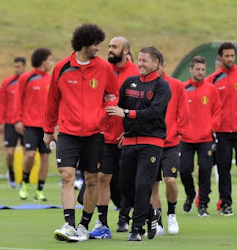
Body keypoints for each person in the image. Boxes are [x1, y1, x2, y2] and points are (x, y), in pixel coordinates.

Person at [43, 23, 118, 242]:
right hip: (67, 132)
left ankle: (84, 225)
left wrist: (102, 115)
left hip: (95, 134)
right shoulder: (61, 67)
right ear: (84, 44)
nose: (98, 49)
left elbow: (112, 96)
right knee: (66, 176)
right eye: (96, 44)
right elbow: (52, 101)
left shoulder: (104, 68)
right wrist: (48, 131)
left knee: (91, 180)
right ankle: (69, 224)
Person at [106, 46, 171, 241]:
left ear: (156, 63)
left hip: (151, 143)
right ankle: (151, 214)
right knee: (125, 187)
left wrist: (126, 114)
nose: (140, 64)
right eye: (139, 60)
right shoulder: (129, 83)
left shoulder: (162, 86)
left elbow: (153, 113)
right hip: (129, 142)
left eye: (144, 61)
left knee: (143, 185)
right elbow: (119, 106)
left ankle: (137, 229)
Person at [88, 36, 139, 239]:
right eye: (109, 46)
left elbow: (141, 107)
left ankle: (139, 217)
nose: (109, 50)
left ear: (126, 51)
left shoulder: (136, 73)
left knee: (130, 182)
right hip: (104, 136)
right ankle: (102, 224)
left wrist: (129, 131)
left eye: (114, 47)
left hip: (129, 137)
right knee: (102, 178)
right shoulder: (101, 70)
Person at [206, 42, 237, 215]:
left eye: (232, 55)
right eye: (227, 56)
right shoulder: (212, 80)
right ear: (220, 57)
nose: (230, 58)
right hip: (222, 132)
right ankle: (226, 203)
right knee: (223, 167)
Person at [150, 52, 189, 235]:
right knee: (153, 184)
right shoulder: (143, 85)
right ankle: (157, 220)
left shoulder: (176, 85)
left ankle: (171, 213)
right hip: (150, 142)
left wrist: (178, 130)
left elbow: (183, 111)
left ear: (162, 65)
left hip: (171, 142)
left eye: (157, 65)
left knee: (171, 180)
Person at [180, 56, 221, 216]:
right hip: (186, 139)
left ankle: (203, 205)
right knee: (184, 170)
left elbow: (217, 112)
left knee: (205, 172)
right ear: (191, 70)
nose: (201, 72)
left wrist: (211, 128)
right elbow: (177, 112)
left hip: (205, 139)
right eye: (197, 69)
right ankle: (190, 194)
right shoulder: (183, 88)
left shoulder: (211, 89)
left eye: (203, 69)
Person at [14, 49, 53, 201]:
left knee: (44, 157)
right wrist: (17, 119)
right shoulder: (26, 78)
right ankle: (25, 182)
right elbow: (17, 99)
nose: (51, 62)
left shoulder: (51, 79)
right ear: (43, 60)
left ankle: (40, 191)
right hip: (29, 124)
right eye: (50, 59)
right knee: (30, 154)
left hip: (46, 127)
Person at [0, 57, 26, 188]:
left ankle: (23, 178)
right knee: (10, 152)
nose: (16, 69)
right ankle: (11, 172)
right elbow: (2, 104)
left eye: (18, 67)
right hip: (10, 122)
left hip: (26, 123)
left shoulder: (28, 81)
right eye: (14, 67)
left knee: (27, 152)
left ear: (24, 67)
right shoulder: (7, 83)